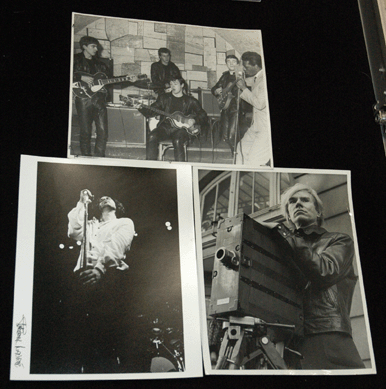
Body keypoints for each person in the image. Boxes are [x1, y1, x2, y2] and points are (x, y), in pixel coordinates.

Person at [276, 183, 365, 369]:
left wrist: (289, 237)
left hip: (325, 334)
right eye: (292, 202)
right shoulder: (285, 246)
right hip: (289, 339)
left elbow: (324, 272)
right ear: (288, 215)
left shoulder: (339, 240)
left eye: (304, 200)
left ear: (318, 212)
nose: (298, 204)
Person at [67, 189, 136, 372]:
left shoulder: (124, 222)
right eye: (102, 199)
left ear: (116, 206)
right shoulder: (91, 225)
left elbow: (117, 246)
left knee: (104, 336)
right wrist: (82, 203)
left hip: (106, 277)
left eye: (110, 197)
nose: (105, 198)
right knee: (81, 338)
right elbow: (73, 232)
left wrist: (100, 268)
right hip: (82, 276)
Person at [136, 77, 209, 162]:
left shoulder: (190, 101)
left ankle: (180, 168)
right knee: (151, 136)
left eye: (175, 84)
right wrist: (141, 108)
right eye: (171, 84)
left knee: (178, 140)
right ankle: (150, 167)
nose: (173, 86)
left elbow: (203, 115)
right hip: (165, 127)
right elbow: (151, 111)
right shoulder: (164, 98)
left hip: (182, 130)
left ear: (182, 85)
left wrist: (194, 120)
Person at [235, 51, 272, 166]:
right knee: (240, 150)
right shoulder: (257, 77)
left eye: (246, 67)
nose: (245, 69)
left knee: (254, 160)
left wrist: (244, 89)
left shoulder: (264, 80)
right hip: (256, 125)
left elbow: (260, 104)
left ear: (256, 66)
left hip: (266, 129)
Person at [211, 55, 241, 156]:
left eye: (233, 61)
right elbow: (214, 88)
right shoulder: (224, 76)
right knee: (225, 136)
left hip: (237, 109)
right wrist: (216, 91)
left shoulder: (241, 75)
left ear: (238, 63)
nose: (231, 63)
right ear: (226, 64)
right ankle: (235, 155)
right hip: (225, 108)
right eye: (228, 61)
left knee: (232, 136)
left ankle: (236, 157)